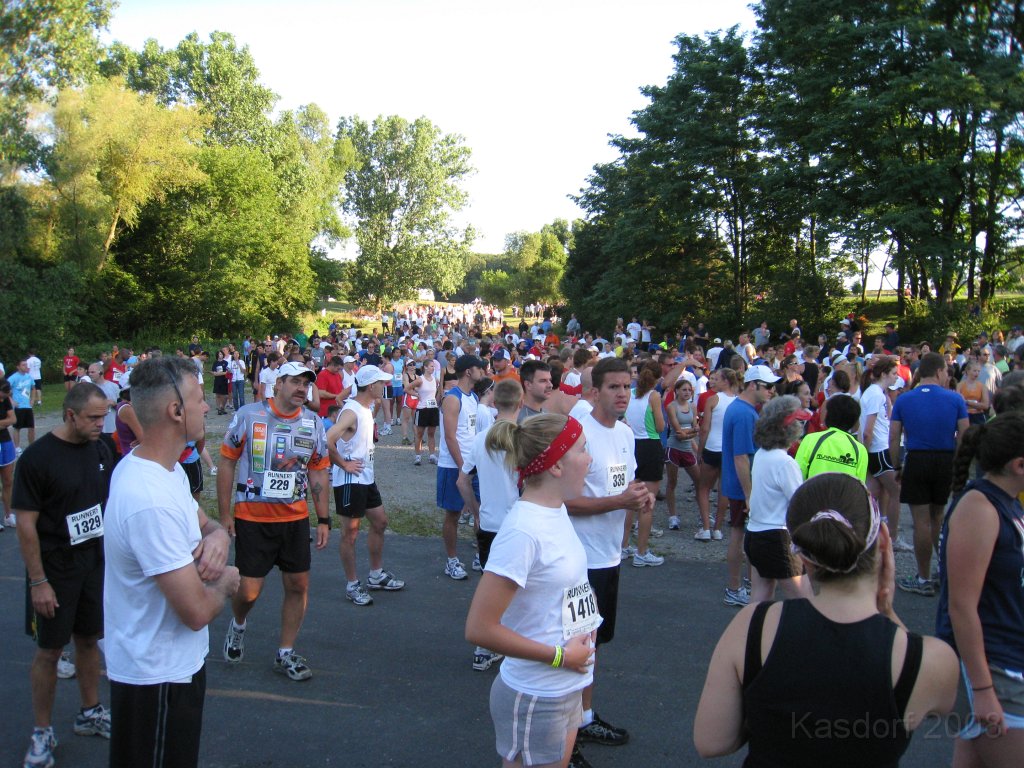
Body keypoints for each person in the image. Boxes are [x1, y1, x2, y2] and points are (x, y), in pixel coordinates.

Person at [694, 472, 958, 765]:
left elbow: (712, 741)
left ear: (804, 553)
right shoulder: (927, 659)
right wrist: (887, 608)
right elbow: (945, 709)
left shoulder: (753, 626)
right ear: (883, 540)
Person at [103, 357, 239, 768]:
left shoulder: (167, 472)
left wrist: (216, 536)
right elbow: (196, 611)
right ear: (175, 410)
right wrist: (227, 580)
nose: (206, 407)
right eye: (199, 399)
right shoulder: (148, 499)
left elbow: (208, 525)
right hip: (155, 677)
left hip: (173, 668)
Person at [465, 414, 598, 768]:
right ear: (556, 465)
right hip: (538, 692)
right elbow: (479, 628)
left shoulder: (556, 511)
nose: (590, 459)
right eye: (583, 449)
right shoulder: (523, 531)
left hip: (566, 685)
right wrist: (559, 655)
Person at [13, 383, 113, 767]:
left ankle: (90, 711)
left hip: (92, 562)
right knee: (50, 651)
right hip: (54, 568)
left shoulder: (100, 449)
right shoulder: (38, 459)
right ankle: (41, 731)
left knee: (88, 640)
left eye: (103, 416)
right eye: (92, 417)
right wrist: (38, 581)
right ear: (70, 415)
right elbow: (25, 525)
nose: (100, 424)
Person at [218, 361, 331, 680]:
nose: (301, 389)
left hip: (295, 518)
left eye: (306, 384)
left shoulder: (313, 423)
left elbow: (318, 469)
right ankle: (239, 624)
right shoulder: (248, 415)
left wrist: (324, 518)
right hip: (252, 517)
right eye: (295, 382)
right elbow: (226, 462)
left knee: (298, 584)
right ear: (277, 383)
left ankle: (286, 652)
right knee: (249, 591)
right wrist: (225, 514)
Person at [566, 357, 652, 764]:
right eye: (614, 387)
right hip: (578, 559)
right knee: (572, 648)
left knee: (592, 645)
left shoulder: (625, 433)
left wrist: (641, 496)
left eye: (627, 387)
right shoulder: (577, 433)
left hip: (608, 556)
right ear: (595, 391)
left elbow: (626, 483)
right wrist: (620, 501)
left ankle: (583, 719)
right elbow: (564, 501)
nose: (622, 394)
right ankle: (565, 739)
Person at [890, 352, 969, 597]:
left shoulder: (904, 400)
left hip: (917, 458)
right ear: (938, 371)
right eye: (947, 372)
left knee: (920, 521)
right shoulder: (955, 399)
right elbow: (965, 435)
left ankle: (923, 577)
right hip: (945, 459)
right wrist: (958, 464)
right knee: (939, 518)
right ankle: (943, 572)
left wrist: (897, 466)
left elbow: (894, 436)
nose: (948, 376)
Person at [326, 365, 406, 606]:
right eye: (381, 383)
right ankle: (352, 585)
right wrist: (343, 464)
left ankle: (375, 575)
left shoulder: (365, 408)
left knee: (380, 522)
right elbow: (328, 439)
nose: (385, 386)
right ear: (371, 386)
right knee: (350, 533)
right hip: (351, 481)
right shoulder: (351, 411)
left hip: (366, 478)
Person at [458, 378, 523, 669]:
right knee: (522, 587)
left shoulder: (480, 438)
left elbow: (462, 480)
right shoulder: (525, 438)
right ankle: (518, 645)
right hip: (518, 525)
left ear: (494, 403)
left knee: (490, 584)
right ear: (521, 403)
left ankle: (485, 648)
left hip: (489, 523)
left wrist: (475, 509)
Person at [744, 395, 813, 603]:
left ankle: (753, 634)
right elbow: (800, 503)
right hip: (778, 538)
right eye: (799, 423)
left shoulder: (762, 455)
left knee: (760, 595)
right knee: (802, 600)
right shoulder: (784, 462)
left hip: (755, 533)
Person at [720, 364, 778, 606]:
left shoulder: (742, 409)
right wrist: (749, 495)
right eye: (768, 387)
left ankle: (742, 585)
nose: (772, 391)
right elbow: (741, 457)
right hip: (742, 486)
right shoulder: (744, 413)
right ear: (754, 385)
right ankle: (735, 588)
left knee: (742, 534)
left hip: (738, 484)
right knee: (740, 534)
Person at [437, 354, 484, 580]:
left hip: (471, 464)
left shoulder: (473, 397)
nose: (483, 371)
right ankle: (452, 560)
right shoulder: (453, 398)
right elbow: (449, 436)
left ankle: (480, 555)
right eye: (479, 368)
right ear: (468, 371)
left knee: (480, 511)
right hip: (453, 465)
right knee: (453, 514)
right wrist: (461, 468)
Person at [859, 358, 909, 552]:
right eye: (894, 373)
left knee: (875, 491)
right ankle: (893, 538)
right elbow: (868, 430)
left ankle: (873, 532)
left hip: (877, 448)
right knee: (895, 490)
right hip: (878, 449)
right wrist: (866, 452)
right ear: (884, 374)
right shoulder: (875, 395)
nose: (896, 376)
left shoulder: (876, 393)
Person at [622, 359, 665, 566]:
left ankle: (623, 546)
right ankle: (642, 551)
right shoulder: (654, 396)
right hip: (650, 445)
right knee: (647, 502)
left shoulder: (629, 393)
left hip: (632, 444)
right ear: (656, 378)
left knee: (630, 500)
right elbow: (659, 426)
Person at [695, 368, 739, 541]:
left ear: (725, 381)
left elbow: (705, 429)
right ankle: (718, 528)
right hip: (729, 450)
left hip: (712, 447)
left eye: (717, 379)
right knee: (724, 489)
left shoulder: (713, 400)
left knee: (704, 488)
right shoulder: (738, 402)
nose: (713, 382)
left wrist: (699, 451)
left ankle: (706, 527)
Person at [794, 394, 868, 481]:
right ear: (854, 420)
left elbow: (797, 476)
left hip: (812, 493)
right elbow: (859, 487)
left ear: (828, 415)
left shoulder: (811, 439)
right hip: (844, 494)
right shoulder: (860, 450)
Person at [664, 378, 700, 532]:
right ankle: (673, 516)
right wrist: (691, 432)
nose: (687, 392)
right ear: (677, 391)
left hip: (687, 448)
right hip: (674, 448)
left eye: (689, 390)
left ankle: (702, 514)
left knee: (699, 482)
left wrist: (688, 433)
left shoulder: (692, 406)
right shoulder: (672, 406)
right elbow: (677, 432)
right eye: (684, 390)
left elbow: (695, 427)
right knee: (672, 482)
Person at [9, 358, 37, 453]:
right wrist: (12, 401)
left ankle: (31, 446)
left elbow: (33, 388)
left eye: (26, 364)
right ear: (18, 367)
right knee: (17, 427)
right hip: (19, 406)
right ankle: (17, 448)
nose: (26, 366)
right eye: (23, 365)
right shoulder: (13, 378)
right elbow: (4, 390)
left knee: (31, 427)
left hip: (27, 406)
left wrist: (33, 399)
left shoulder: (29, 377)